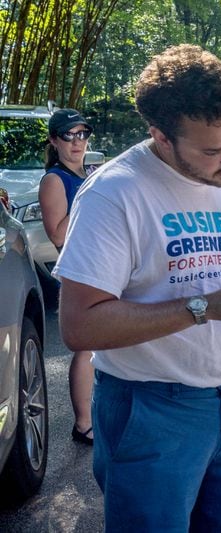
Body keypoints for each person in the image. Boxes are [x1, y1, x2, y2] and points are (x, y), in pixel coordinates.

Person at [54, 44, 221, 532]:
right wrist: (204, 306)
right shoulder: (113, 194)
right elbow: (79, 325)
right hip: (151, 411)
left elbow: (208, 281)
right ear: (160, 136)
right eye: (212, 150)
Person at [38, 108, 96, 445]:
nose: (77, 142)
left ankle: (100, 416)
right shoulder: (54, 179)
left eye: (82, 134)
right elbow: (58, 234)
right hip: (79, 270)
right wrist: (89, 196)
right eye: (68, 135)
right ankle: (83, 424)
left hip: (102, 265)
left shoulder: (87, 173)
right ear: (54, 140)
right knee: (86, 348)